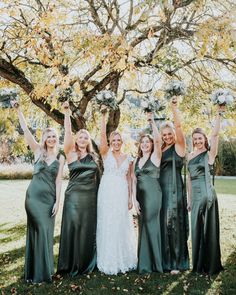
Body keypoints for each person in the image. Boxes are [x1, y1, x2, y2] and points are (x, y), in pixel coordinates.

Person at [12, 100, 65, 283]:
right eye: (48, 136)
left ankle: (44, 270)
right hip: (33, 198)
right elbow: (26, 132)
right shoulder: (37, 151)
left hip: (49, 198)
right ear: (44, 139)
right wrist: (19, 110)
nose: (51, 139)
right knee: (39, 230)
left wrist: (58, 202)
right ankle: (38, 273)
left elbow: (58, 181)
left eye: (53, 136)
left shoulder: (60, 157)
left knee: (46, 232)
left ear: (56, 139)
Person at [57, 101, 99, 276]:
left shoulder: (93, 156)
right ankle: (70, 264)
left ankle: (85, 263)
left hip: (90, 198)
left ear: (88, 141)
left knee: (87, 229)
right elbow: (67, 132)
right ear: (76, 139)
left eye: (85, 138)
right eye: (80, 137)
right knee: (73, 228)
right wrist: (66, 113)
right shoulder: (70, 153)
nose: (82, 140)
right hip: (73, 196)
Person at [96, 105, 137, 275]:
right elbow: (102, 138)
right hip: (106, 191)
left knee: (121, 222)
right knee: (107, 222)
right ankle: (108, 258)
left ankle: (123, 257)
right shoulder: (105, 153)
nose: (116, 143)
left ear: (123, 142)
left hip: (121, 191)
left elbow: (129, 178)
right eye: (114, 140)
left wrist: (130, 198)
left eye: (119, 140)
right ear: (110, 142)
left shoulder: (129, 158)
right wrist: (104, 117)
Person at [187, 105, 224, 275]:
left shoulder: (209, 154)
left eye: (200, 138)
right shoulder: (190, 155)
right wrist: (189, 199)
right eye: (195, 139)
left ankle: (210, 264)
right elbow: (188, 178)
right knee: (196, 229)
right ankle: (198, 264)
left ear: (204, 139)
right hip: (195, 197)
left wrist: (219, 113)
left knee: (208, 229)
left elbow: (215, 135)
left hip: (207, 194)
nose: (197, 141)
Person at [159, 96, 189, 274]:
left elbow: (179, 127)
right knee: (163, 224)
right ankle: (164, 260)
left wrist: (174, 108)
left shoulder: (179, 147)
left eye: (169, 134)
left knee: (174, 224)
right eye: (165, 135)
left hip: (174, 188)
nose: (168, 137)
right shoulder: (161, 148)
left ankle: (177, 262)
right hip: (160, 190)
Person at [132, 112, 163, 274]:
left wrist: (152, 122)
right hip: (141, 198)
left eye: (147, 142)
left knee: (151, 225)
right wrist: (134, 199)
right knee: (143, 226)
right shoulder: (136, 161)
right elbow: (134, 181)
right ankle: (144, 263)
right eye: (142, 142)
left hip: (153, 196)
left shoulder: (156, 156)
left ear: (151, 145)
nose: (145, 144)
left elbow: (158, 140)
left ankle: (155, 264)